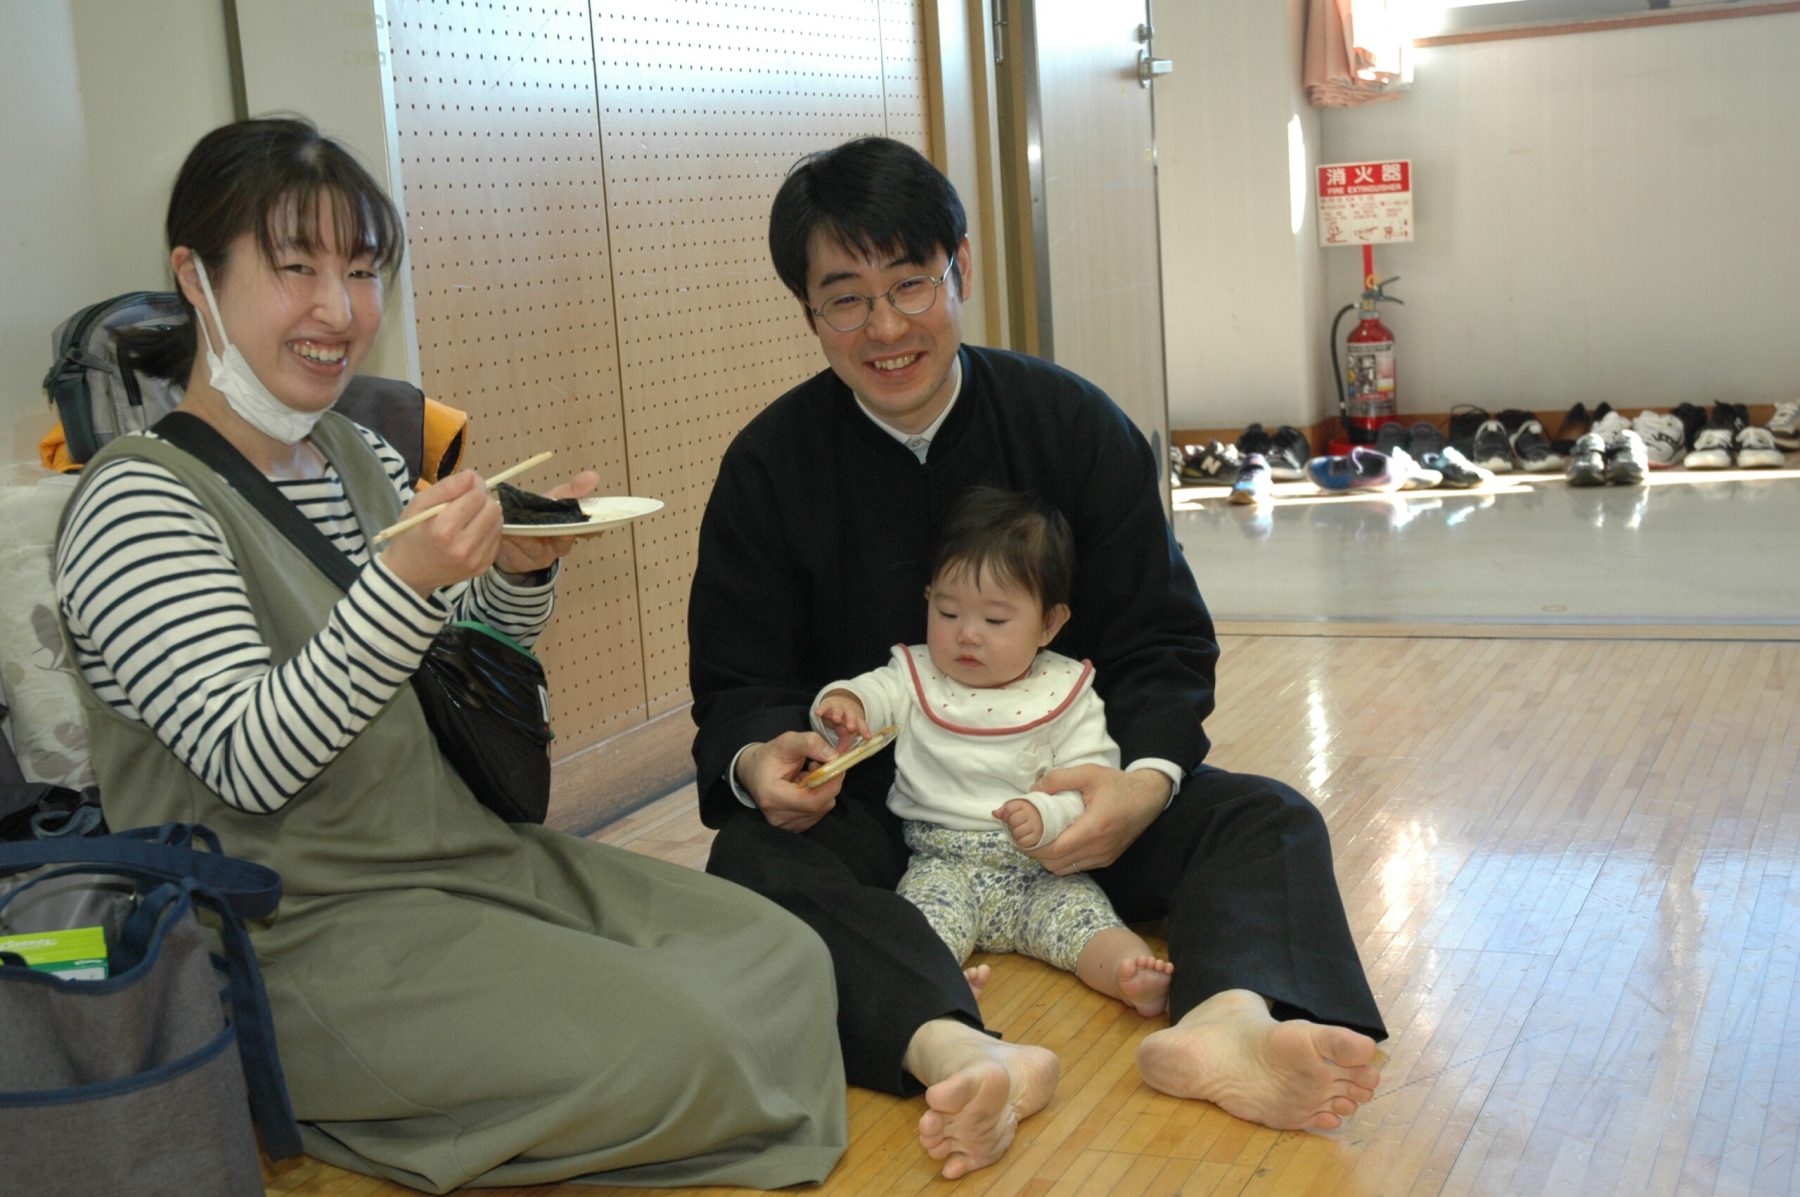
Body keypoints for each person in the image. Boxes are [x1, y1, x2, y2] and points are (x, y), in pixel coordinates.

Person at [54, 117, 847, 1195]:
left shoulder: (355, 450)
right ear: (197, 277)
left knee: (787, 957)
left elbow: (454, 661)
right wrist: (404, 584)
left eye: (361, 270)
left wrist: (515, 568)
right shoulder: (137, 502)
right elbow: (252, 759)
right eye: (296, 269)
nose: (340, 310)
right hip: (297, 931)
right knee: (690, 1041)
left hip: (464, 862)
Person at [688, 135, 1388, 1179]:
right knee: (752, 863)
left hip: (1076, 804)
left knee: (1266, 818)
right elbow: (740, 681)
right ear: (807, 311)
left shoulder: (1071, 425)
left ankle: (1230, 1024)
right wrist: (761, 762)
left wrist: (1138, 788)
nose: (886, 327)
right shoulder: (769, 466)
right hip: (885, 818)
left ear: (960, 267)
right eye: (846, 299)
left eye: (911, 283)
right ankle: (957, 1049)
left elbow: (1160, 638)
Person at [811, 485, 1175, 1017]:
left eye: (995, 621)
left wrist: (1046, 815)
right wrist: (845, 703)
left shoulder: (1066, 690)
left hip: (1042, 869)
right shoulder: (914, 673)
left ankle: (1129, 974)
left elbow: (1094, 782)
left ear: (1049, 623)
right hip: (941, 864)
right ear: (928, 599)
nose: (967, 635)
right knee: (917, 927)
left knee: (1087, 922)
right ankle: (939, 988)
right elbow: (873, 693)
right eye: (947, 612)